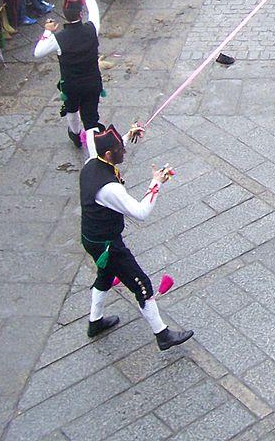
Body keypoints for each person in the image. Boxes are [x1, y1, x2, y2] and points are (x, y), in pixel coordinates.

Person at [79, 125, 192, 350]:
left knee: (104, 276)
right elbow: (140, 213)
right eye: (121, 150)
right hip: (109, 245)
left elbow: (102, 147)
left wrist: (129, 135)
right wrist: (156, 183)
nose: (125, 152)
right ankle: (163, 335)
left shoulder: (93, 162)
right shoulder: (110, 189)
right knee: (142, 285)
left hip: (92, 238)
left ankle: (95, 322)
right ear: (109, 155)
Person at [33, 0, 103, 146]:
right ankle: (93, 145)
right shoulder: (92, 28)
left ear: (64, 16)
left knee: (71, 108)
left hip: (71, 84)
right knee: (91, 116)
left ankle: (75, 134)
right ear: (80, 14)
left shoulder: (58, 38)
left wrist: (47, 32)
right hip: (92, 81)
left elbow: (38, 52)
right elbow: (94, 10)